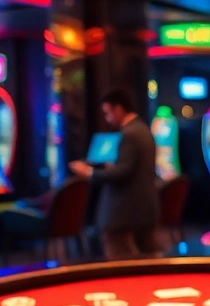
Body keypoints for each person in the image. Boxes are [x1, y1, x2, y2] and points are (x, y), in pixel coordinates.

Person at [69, 88, 162, 260]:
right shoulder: (143, 130)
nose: (107, 118)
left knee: (119, 261)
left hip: (123, 210)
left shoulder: (130, 134)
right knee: (150, 259)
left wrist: (89, 172)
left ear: (118, 109)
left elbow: (123, 172)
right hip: (143, 208)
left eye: (108, 113)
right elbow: (132, 168)